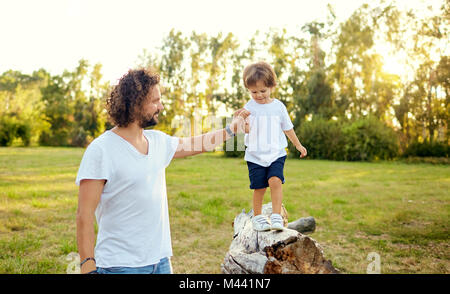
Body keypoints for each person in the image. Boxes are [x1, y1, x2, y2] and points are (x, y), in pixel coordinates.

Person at [75, 68, 249, 274]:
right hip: (120, 265)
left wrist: (232, 129)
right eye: (155, 101)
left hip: (160, 262)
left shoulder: (158, 141)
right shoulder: (101, 149)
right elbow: (84, 214)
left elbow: (199, 143)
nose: (161, 106)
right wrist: (87, 265)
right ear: (135, 104)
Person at [242, 61, 307, 231]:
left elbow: (288, 128)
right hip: (255, 156)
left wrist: (298, 145)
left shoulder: (278, 107)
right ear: (248, 89)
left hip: (276, 153)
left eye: (263, 91)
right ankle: (257, 218)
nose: (259, 95)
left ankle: (276, 216)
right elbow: (246, 129)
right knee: (259, 187)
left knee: (275, 181)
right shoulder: (248, 108)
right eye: (253, 92)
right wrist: (243, 122)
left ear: (272, 86)